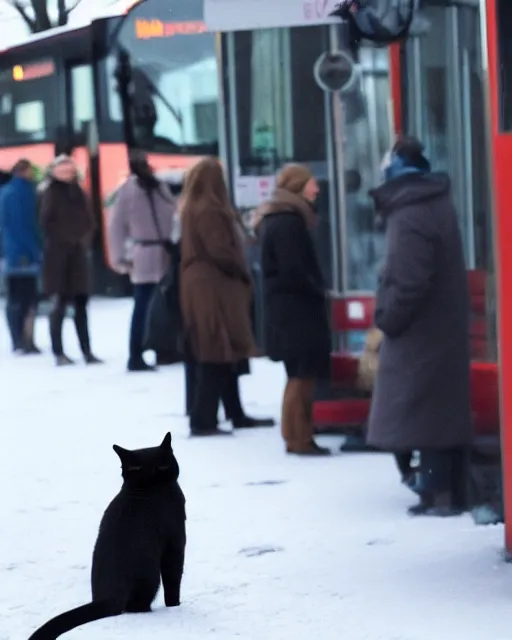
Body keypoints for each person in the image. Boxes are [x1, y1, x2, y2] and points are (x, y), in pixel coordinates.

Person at [366, 137, 471, 516]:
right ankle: (440, 488)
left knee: (420, 415)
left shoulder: (409, 212)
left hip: (418, 332)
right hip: (436, 329)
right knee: (433, 413)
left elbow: (408, 280)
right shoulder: (431, 202)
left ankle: (435, 489)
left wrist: (387, 318)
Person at [254, 164, 331, 456]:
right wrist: (317, 289)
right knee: (302, 375)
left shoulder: (281, 218)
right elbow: (293, 271)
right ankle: (298, 437)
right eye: (312, 184)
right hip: (296, 312)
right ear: (299, 186)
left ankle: (298, 435)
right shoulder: (289, 222)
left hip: (289, 310)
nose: (317, 189)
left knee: (298, 374)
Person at [179, 158, 256, 437]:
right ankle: (204, 419)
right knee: (216, 349)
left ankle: (233, 412)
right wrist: (242, 271)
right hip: (215, 286)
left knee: (223, 350)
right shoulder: (210, 211)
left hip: (203, 284)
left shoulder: (191, 208)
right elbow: (220, 249)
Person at [108, 150, 176, 372]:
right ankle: (135, 354)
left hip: (164, 252)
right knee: (143, 306)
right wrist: (120, 258)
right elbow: (116, 226)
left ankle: (164, 350)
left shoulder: (160, 187)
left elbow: (172, 215)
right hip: (144, 254)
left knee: (164, 306)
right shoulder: (128, 190)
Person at [40, 155, 102, 366]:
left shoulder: (80, 192)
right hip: (58, 258)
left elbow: (90, 220)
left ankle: (87, 350)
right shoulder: (50, 192)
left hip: (77, 256)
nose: (67, 174)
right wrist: (67, 239)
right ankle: (59, 352)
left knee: (81, 304)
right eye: (63, 171)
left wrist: (83, 240)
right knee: (58, 304)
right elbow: (45, 222)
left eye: (70, 171)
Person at [0, 160, 42, 354]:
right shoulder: (21, 193)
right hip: (21, 254)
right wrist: (34, 251)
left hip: (12, 253)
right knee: (26, 298)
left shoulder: (9, 192)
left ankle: (20, 340)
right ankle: (23, 340)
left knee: (17, 298)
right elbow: (22, 226)